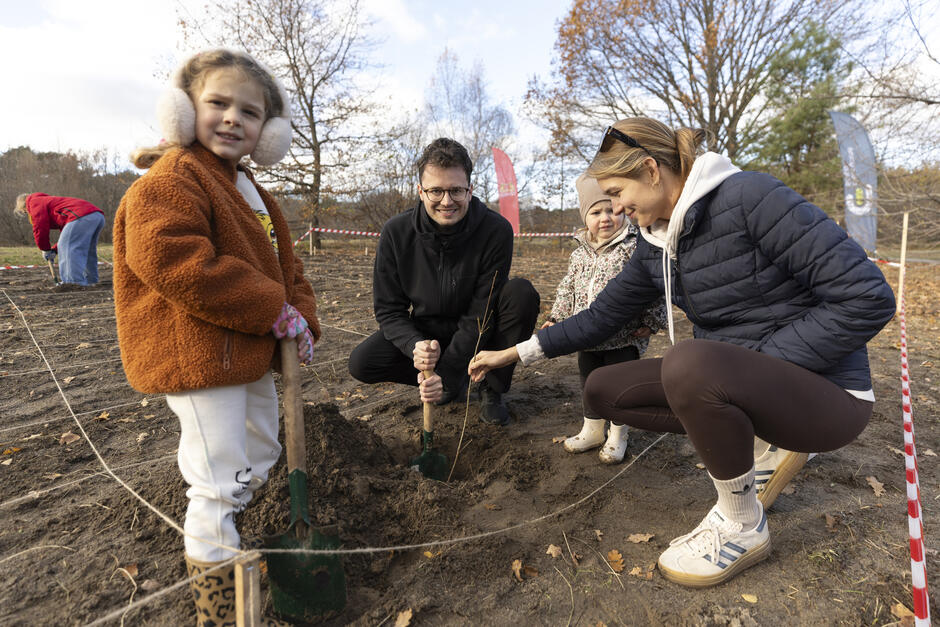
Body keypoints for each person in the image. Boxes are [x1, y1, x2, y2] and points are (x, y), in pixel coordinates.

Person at [469, 117, 895, 587]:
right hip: (742, 381)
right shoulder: (655, 244)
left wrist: (762, 363)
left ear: (651, 170)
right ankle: (760, 438)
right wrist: (514, 353)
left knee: (690, 362)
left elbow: (868, 297)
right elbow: (602, 315)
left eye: (616, 191)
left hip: (829, 396)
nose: (614, 207)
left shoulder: (750, 197)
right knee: (603, 390)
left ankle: (741, 524)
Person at [113, 48, 313, 626]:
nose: (232, 119)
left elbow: (286, 267)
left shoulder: (251, 189)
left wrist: (299, 315)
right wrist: (270, 309)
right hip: (198, 357)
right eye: (217, 103)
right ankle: (219, 606)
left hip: (243, 352)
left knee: (262, 453)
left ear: (266, 133)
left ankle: (230, 530)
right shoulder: (172, 179)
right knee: (218, 478)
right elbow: (171, 257)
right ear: (183, 111)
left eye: (249, 113)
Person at [348, 137, 540, 426]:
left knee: (521, 293)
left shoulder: (495, 230)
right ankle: (445, 383)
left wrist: (448, 373)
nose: (446, 201)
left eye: (456, 191)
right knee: (362, 362)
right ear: (421, 191)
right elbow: (389, 310)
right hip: (429, 331)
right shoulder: (396, 233)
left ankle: (492, 388)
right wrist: (416, 345)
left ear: (470, 189)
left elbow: (481, 311)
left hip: (481, 331)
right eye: (436, 191)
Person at [545, 172, 667, 464]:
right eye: (596, 212)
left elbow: (654, 288)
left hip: (623, 337)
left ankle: (617, 434)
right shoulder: (580, 254)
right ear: (585, 217)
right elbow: (567, 289)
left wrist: (651, 322)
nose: (605, 218)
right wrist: (556, 318)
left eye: (611, 210)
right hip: (586, 338)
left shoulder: (633, 248)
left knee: (619, 389)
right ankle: (592, 429)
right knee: (589, 384)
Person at [13, 193, 106, 286]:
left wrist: (45, 249)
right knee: (87, 249)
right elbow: (66, 234)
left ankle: (72, 283)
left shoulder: (34, 202)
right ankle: (90, 280)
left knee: (68, 248)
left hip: (80, 216)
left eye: (25, 212)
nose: (28, 213)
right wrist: (54, 250)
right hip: (96, 216)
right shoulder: (50, 201)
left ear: (24, 206)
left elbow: (40, 227)